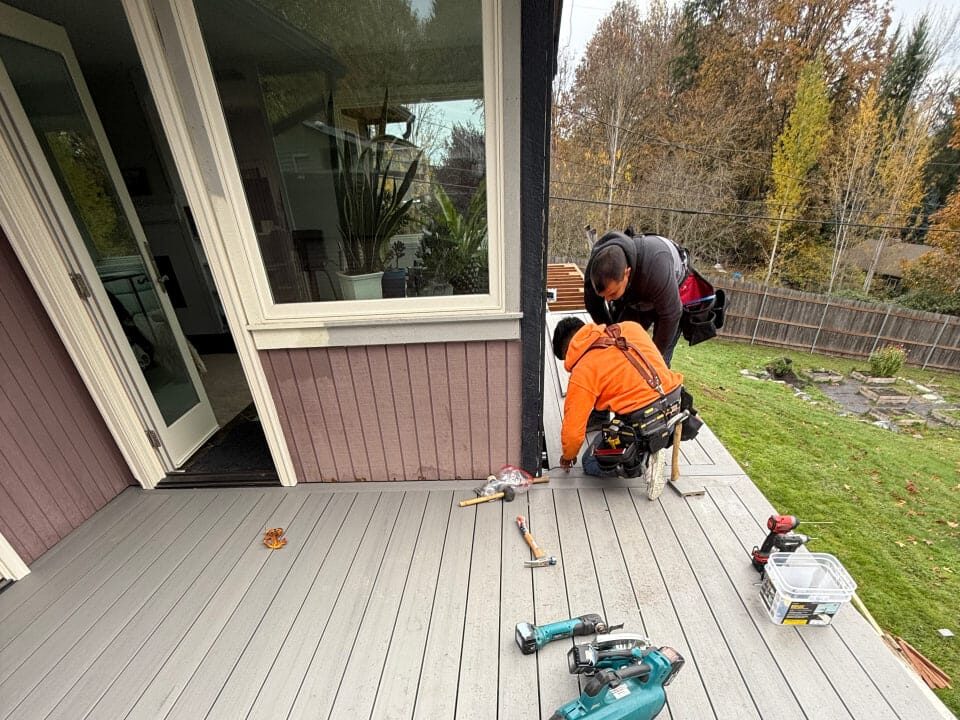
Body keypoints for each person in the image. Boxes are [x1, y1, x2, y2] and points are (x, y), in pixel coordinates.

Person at [552, 316, 685, 498]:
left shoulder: (583, 370)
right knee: (613, 428)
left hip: (644, 419)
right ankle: (655, 445)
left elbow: (573, 433)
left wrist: (568, 456)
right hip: (675, 400)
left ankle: (643, 461)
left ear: (567, 351)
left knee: (589, 461)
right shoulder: (630, 327)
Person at [583, 228, 687, 366]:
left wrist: (651, 360)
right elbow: (594, 307)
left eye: (613, 293)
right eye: (604, 296)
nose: (608, 300)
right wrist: (612, 333)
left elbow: (671, 315)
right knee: (622, 347)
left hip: (669, 298)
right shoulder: (594, 272)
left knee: (657, 364)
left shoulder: (656, 268)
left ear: (627, 273)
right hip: (635, 295)